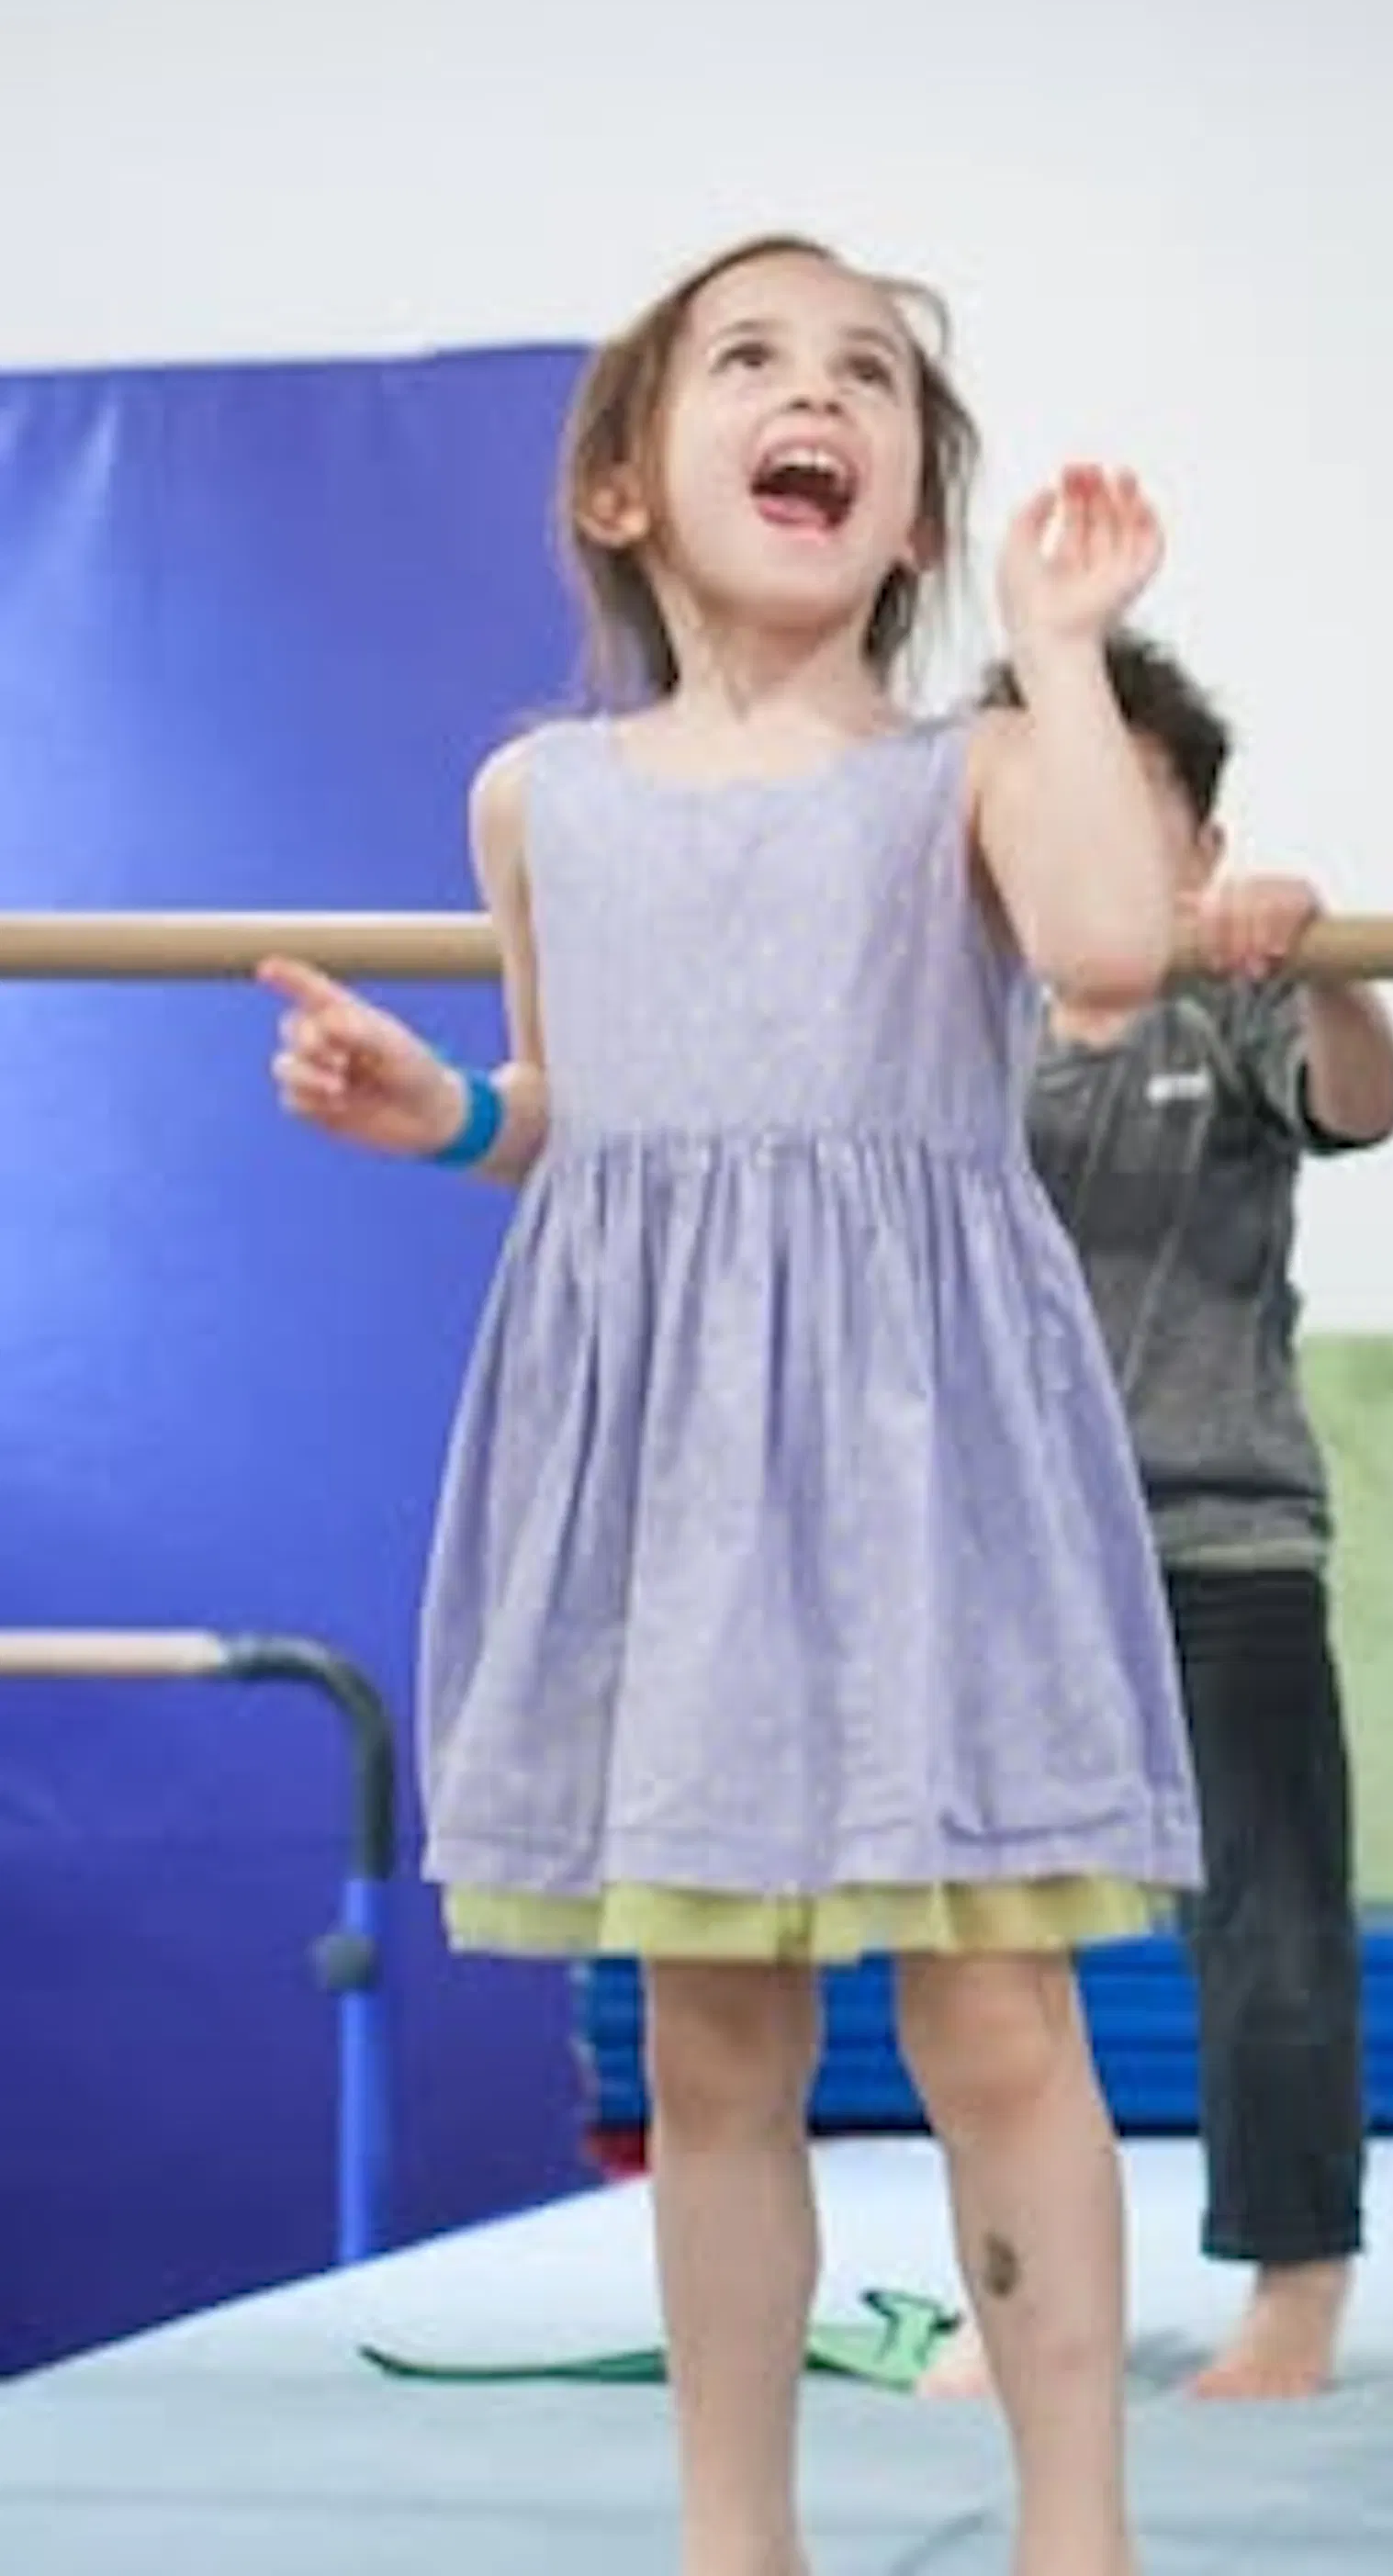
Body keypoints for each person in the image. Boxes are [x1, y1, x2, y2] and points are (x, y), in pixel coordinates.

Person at [262, 231, 1196, 2576]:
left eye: (869, 375)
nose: (821, 394)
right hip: (669, 1461)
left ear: (909, 508)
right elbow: (580, 1105)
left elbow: (1109, 949)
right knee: (711, 2041)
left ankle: (1077, 2531)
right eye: (757, 360)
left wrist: (1064, 649)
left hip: (924, 1446)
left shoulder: (975, 768)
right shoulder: (539, 798)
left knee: (1000, 2016)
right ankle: (733, 2537)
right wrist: (445, 1121)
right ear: (622, 487)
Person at [925, 630, 1393, 2402]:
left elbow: (1365, 1102)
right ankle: (1018, 2291)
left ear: (1198, 851)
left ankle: (1296, 2279)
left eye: (1124, 811)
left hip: (1220, 1543)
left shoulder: (1231, 996)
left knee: (1271, 1933)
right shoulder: (951, 1028)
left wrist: (1325, 962)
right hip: (1004, 1558)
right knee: (988, 1955)